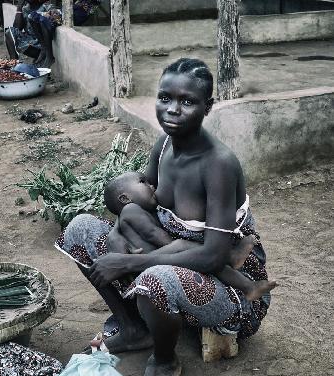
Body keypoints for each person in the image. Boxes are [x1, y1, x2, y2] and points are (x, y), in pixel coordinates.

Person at [55, 58, 274, 376]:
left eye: (187, 101)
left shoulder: (218, 165)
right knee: (81, 228)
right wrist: (122, 233)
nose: (173, 109)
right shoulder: (165, 144)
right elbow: (136, 202)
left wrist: (129, 262)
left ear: (207, 106)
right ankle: (133, 328)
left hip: (233, 290)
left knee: (152, 279)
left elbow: (213, 256)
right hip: (176, 258)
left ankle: (165, 358)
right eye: (165, 98)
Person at [103, 171, 276, 302]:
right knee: (185, 247)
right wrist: (178, 246)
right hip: (146, 264)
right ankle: (236, 266)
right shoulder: (131, 209)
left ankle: (247, 285)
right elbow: (153, 233)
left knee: (201, 257)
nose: (152, 186)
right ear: (125, 198)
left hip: (147, 263)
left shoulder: (128, 214)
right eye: (143, 182)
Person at [28, 0, 101, 68]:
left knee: (44, 20)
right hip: (72, 8)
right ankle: (44, 48)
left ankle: (49, 56)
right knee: (31, 16)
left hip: (79, 13)